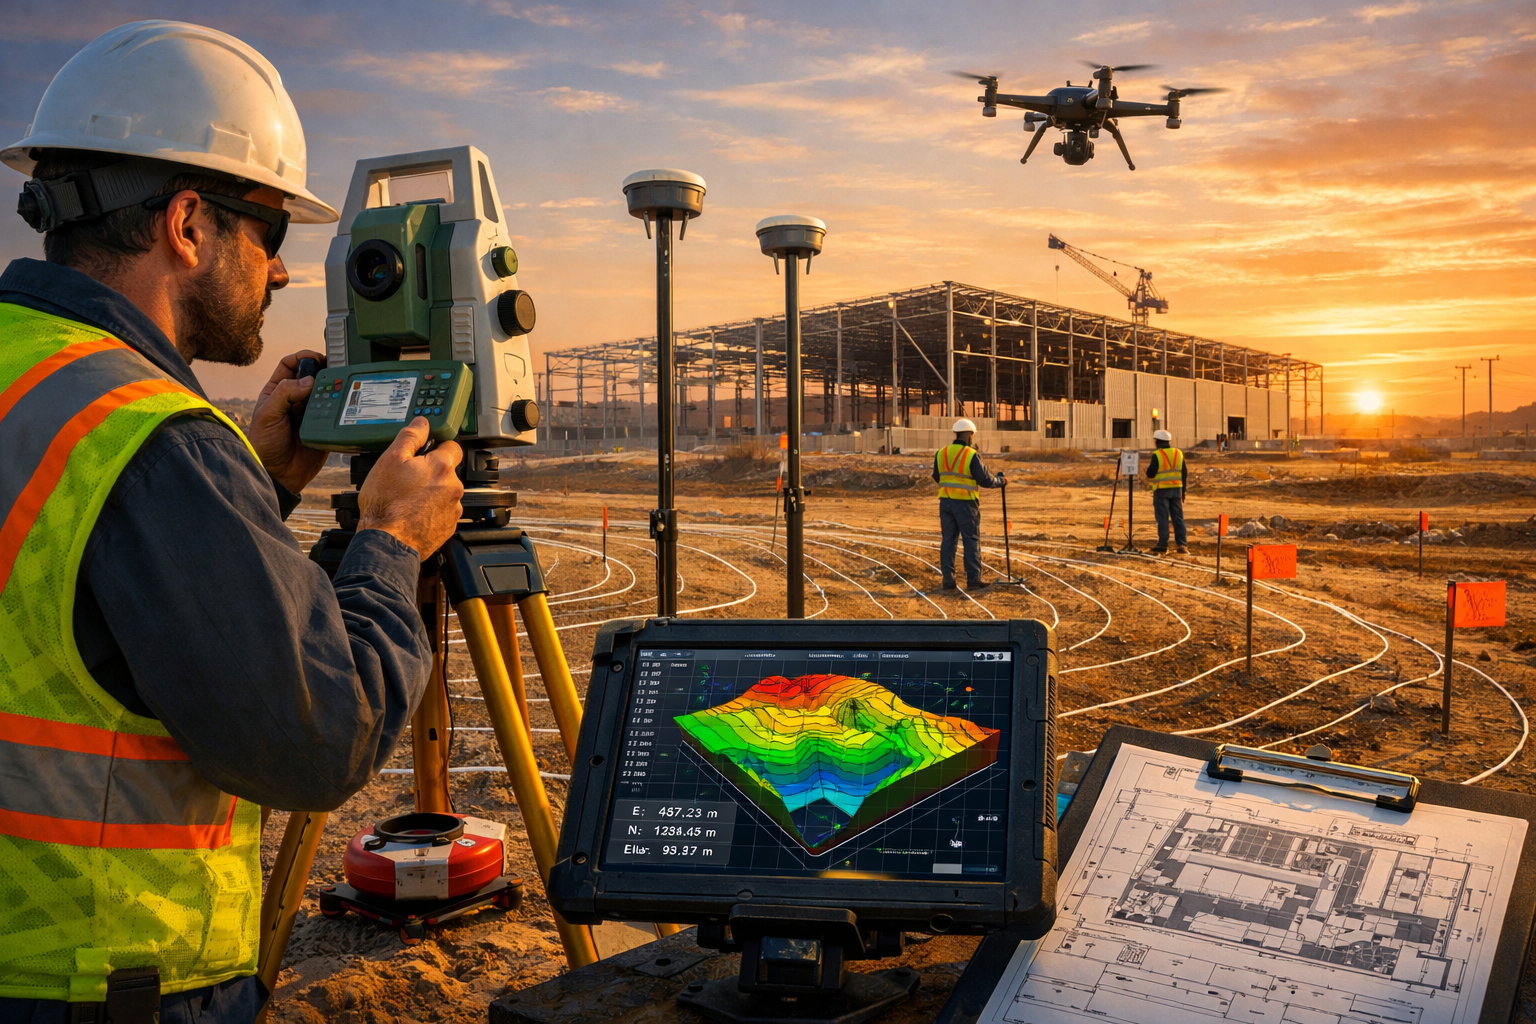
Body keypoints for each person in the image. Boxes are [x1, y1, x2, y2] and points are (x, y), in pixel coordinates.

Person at [0, 22, 463, 1023]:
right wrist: (389, 544)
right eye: (272, 236)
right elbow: (317, 740)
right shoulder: (150, 439)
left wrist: (250, 484)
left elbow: (62, 585)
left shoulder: (36, 379)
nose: (284, 274)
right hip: (102, 978)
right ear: (187, 224)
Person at [932, 418, 1005, 591]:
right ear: (970, 436)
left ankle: (948, 580)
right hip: (965, 504)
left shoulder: (941, 452)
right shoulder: (970, 454)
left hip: (945, 502)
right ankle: (973, 580)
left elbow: (937, 476)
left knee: (948, 540)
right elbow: (985, 480)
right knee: (971, 540)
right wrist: (1000, 481)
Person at [1144, 428, 1188, 554]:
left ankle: (1163, 544)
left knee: (1163, 518)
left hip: (1162, 490)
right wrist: (1184, 490)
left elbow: (1150, 473)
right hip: (1176, 490)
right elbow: (1184, 473)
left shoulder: (1157, 454)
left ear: (1157, 441)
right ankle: (1182, 544)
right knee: (1178, 518)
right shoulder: (1178, 453)